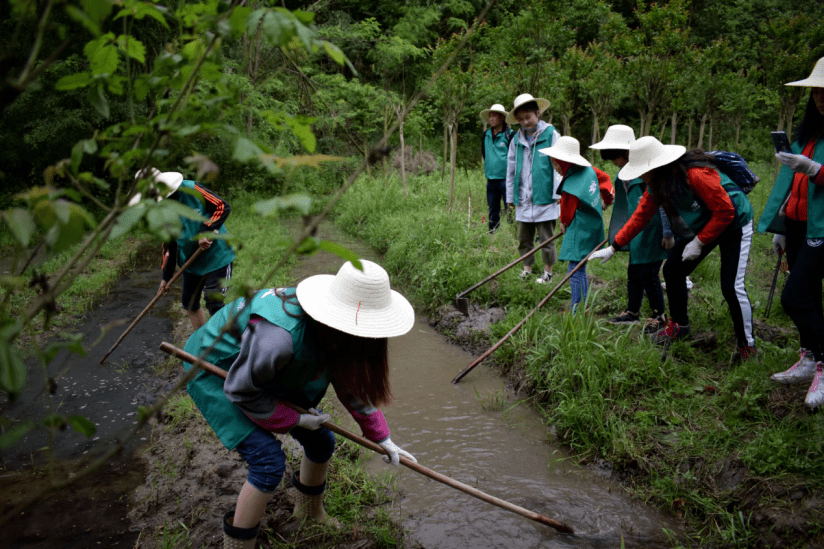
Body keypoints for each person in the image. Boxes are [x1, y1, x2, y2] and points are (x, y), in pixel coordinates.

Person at [181, 260, 417, 548]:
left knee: (321, 441)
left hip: (264, 371)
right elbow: (242, 389)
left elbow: (351, 385)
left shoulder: (338, 336)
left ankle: (310, 512)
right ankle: (239, 545)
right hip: (218, 371)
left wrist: (383, 437)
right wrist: (292, 419)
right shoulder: (278, 337)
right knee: (267, 461)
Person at [589, 137, 757, 361]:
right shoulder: (657, 185)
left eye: (641, 170)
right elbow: (640, 216)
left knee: (731, 286)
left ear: (656, 167)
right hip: (706, 222)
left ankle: (747, 346)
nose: (639, 176)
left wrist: (698, 243)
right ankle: (680, 325)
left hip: (735, 221)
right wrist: (614, 246)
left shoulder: (696, 176)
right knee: (673, 270)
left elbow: (725, 212)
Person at [758, 57, 824, 408]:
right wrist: (781, 225)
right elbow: (791, 181)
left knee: (794, 297)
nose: (820, 97)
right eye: (816, 91)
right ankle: (810, 358)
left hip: (822, 226)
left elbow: (812, 175)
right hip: (798, 222)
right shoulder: (809, 133)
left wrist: (815, 168)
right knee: (809, 295)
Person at [590, 125, 672, 331]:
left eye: (615, 157)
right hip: (636, 231)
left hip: (653, 230)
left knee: (649, 274)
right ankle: (632, 312)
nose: (614, 162)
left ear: (627, 153)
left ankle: (659, 316)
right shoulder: (622, 175)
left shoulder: (646, 172)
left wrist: (667, 231)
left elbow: (662, 201)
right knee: (634, 271)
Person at [134, 168, 235, 330]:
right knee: (189, 302)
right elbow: (170, 243)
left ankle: (226, 344)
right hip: (190, 262)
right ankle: (201, 343)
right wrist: (166, 277)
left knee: (214, 302)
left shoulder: (192, 189)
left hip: (216, 256)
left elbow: (222, 206)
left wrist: (206, 231)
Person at [538, 136, 605, 311]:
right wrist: (607, 198)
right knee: (580, 266)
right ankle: (582, 304)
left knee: (574, 269)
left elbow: (568, 211)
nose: (555, 168)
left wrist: (564, 223)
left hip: (579, 227)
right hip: (592, 224)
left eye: (555, 164)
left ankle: (576, 308)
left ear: (564, 162)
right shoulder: (587, 171)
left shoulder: (571, 183)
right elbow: (603, 179)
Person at [505, 93, 562, 284]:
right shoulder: (516, 139)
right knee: (524, 238)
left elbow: (559, 166)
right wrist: (510, 196)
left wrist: (558, 192)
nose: (525, 122)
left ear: (538, 113)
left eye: (528, 117)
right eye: (520, 119)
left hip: (545, 195)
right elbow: (511, 169)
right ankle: (527, 269)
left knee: (546, 239)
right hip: (524, 196)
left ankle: (548, 273)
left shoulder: (551, 135)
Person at [480, 104, 515, 233]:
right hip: (491, 178)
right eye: (490, 116)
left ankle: (513, 233)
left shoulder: (510, 134)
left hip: (506, 179)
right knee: (493, 208)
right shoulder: (486, 135)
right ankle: (492, 232)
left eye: (494, 115)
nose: (491, 118)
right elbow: (485, 153)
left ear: (501, 118)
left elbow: (514, 156)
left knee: (509, 208)